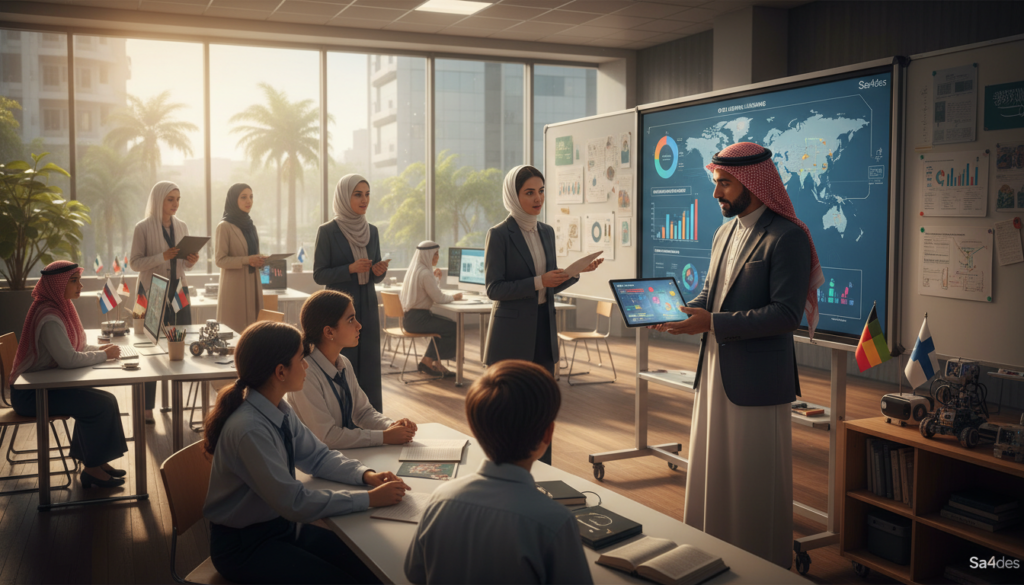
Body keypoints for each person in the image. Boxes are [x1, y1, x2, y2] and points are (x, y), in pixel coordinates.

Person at [651, 142, 822, 568]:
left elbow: (786, 315)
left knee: (752, 480)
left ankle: (758, 567)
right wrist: (684, 312)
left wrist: (712, 323)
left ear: (752, 182)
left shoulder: (788, 237)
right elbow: (713, 295)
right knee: (714, 469)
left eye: (724, 184)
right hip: (715, 371)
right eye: (715, 183)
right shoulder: (724, 232)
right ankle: (711, 557)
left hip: (757, 381)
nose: (716, 195)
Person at [202, 320, 410, 584]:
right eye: (301, 359)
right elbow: (295, 502)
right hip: (244, 547)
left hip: (279, 528)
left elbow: (318, 457)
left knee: (367, 565)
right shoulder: (249, 430)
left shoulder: (278, 409)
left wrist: (366, 475)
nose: (307, 365)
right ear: (280, 372)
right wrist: (370, 500)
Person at [404, 360, 592, 585]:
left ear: (475, 429)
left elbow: (414, 573)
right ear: (547, 433)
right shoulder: (555, 521)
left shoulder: (441, 498)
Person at [483, 165, 601, 465]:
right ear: (514, 195)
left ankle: (544, 473)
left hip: (542, 332)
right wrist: (538, 281)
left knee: (542, 409)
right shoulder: (499, 234)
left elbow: (552, 282)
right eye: (530, 192)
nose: (538, 199)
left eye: (542, 191)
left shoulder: (546, 231)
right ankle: (506, 474)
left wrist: (576, 273)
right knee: (510, 411)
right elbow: (494, 289)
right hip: (510, 338)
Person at [9, 260, 129, 488]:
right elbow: (68, 360)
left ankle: (95, 460)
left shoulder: (60, 307)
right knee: (99, 405)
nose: (80, 285)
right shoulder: (49, 318)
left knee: (107, 400)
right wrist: (105, 356)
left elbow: (77, 347)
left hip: (44, 386)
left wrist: (102, 350)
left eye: (79, 280)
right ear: (58, 284)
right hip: (29, 396)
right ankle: (92, 469)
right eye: (74, 281)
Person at [289, 290, 418, 449]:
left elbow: (363, 413)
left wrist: (392, 426)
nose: (359, 325)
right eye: (351, 320)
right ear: (329, 331)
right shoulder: (305, 373)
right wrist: (384, 437)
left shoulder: (344, 363)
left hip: (338, 455)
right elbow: (327, 437)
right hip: (311, 463)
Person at [313, 174, 389, 412]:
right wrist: (350, 269)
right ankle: (342, 415)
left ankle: (372, 414)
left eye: (367, 194)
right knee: (342, 361)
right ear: (344, 197)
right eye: (358, 194)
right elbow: (319, 274)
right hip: (338, 306)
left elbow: (374, 272)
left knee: (368, 361)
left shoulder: (372, 231)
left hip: (367, 302)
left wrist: (378, 271)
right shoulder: (327, 231)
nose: (364, 199)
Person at [129, 181, 199, 423]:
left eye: (178, 199)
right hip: (151, 292)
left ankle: (178, 402)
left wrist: (191, 260)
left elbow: (183, 265)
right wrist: (162, 256)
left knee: (180, 343)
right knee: (149, 348)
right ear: (159, 199)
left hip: (178, 290)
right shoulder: (143, 227)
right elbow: (135, 263)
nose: (175, 204)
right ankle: (147, 407)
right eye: (170, 199)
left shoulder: (182, 226)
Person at [398, 240, 461, 377]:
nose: (437, 257)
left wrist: (436, 279)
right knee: (454, 327)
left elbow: (429, 292)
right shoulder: (425, 273)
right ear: (427, 255)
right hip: (419, 319)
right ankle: (431, 362)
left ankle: (431, 361)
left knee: (445, 326)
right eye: (435, 254)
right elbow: (438, 298)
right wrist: (454, 297)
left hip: (410, 319)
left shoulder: (416, 270)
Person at [215, 182, 264, 333]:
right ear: (233, 200)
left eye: (251, 197)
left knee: (254, 335)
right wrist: (247, 260)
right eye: (243, 197)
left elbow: (253, 254)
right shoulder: (224, 227)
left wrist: (260, 260)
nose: (249, 201)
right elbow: (220, 260)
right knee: (233, 335)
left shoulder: (251, 226)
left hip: (253, 284)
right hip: (234, 289)